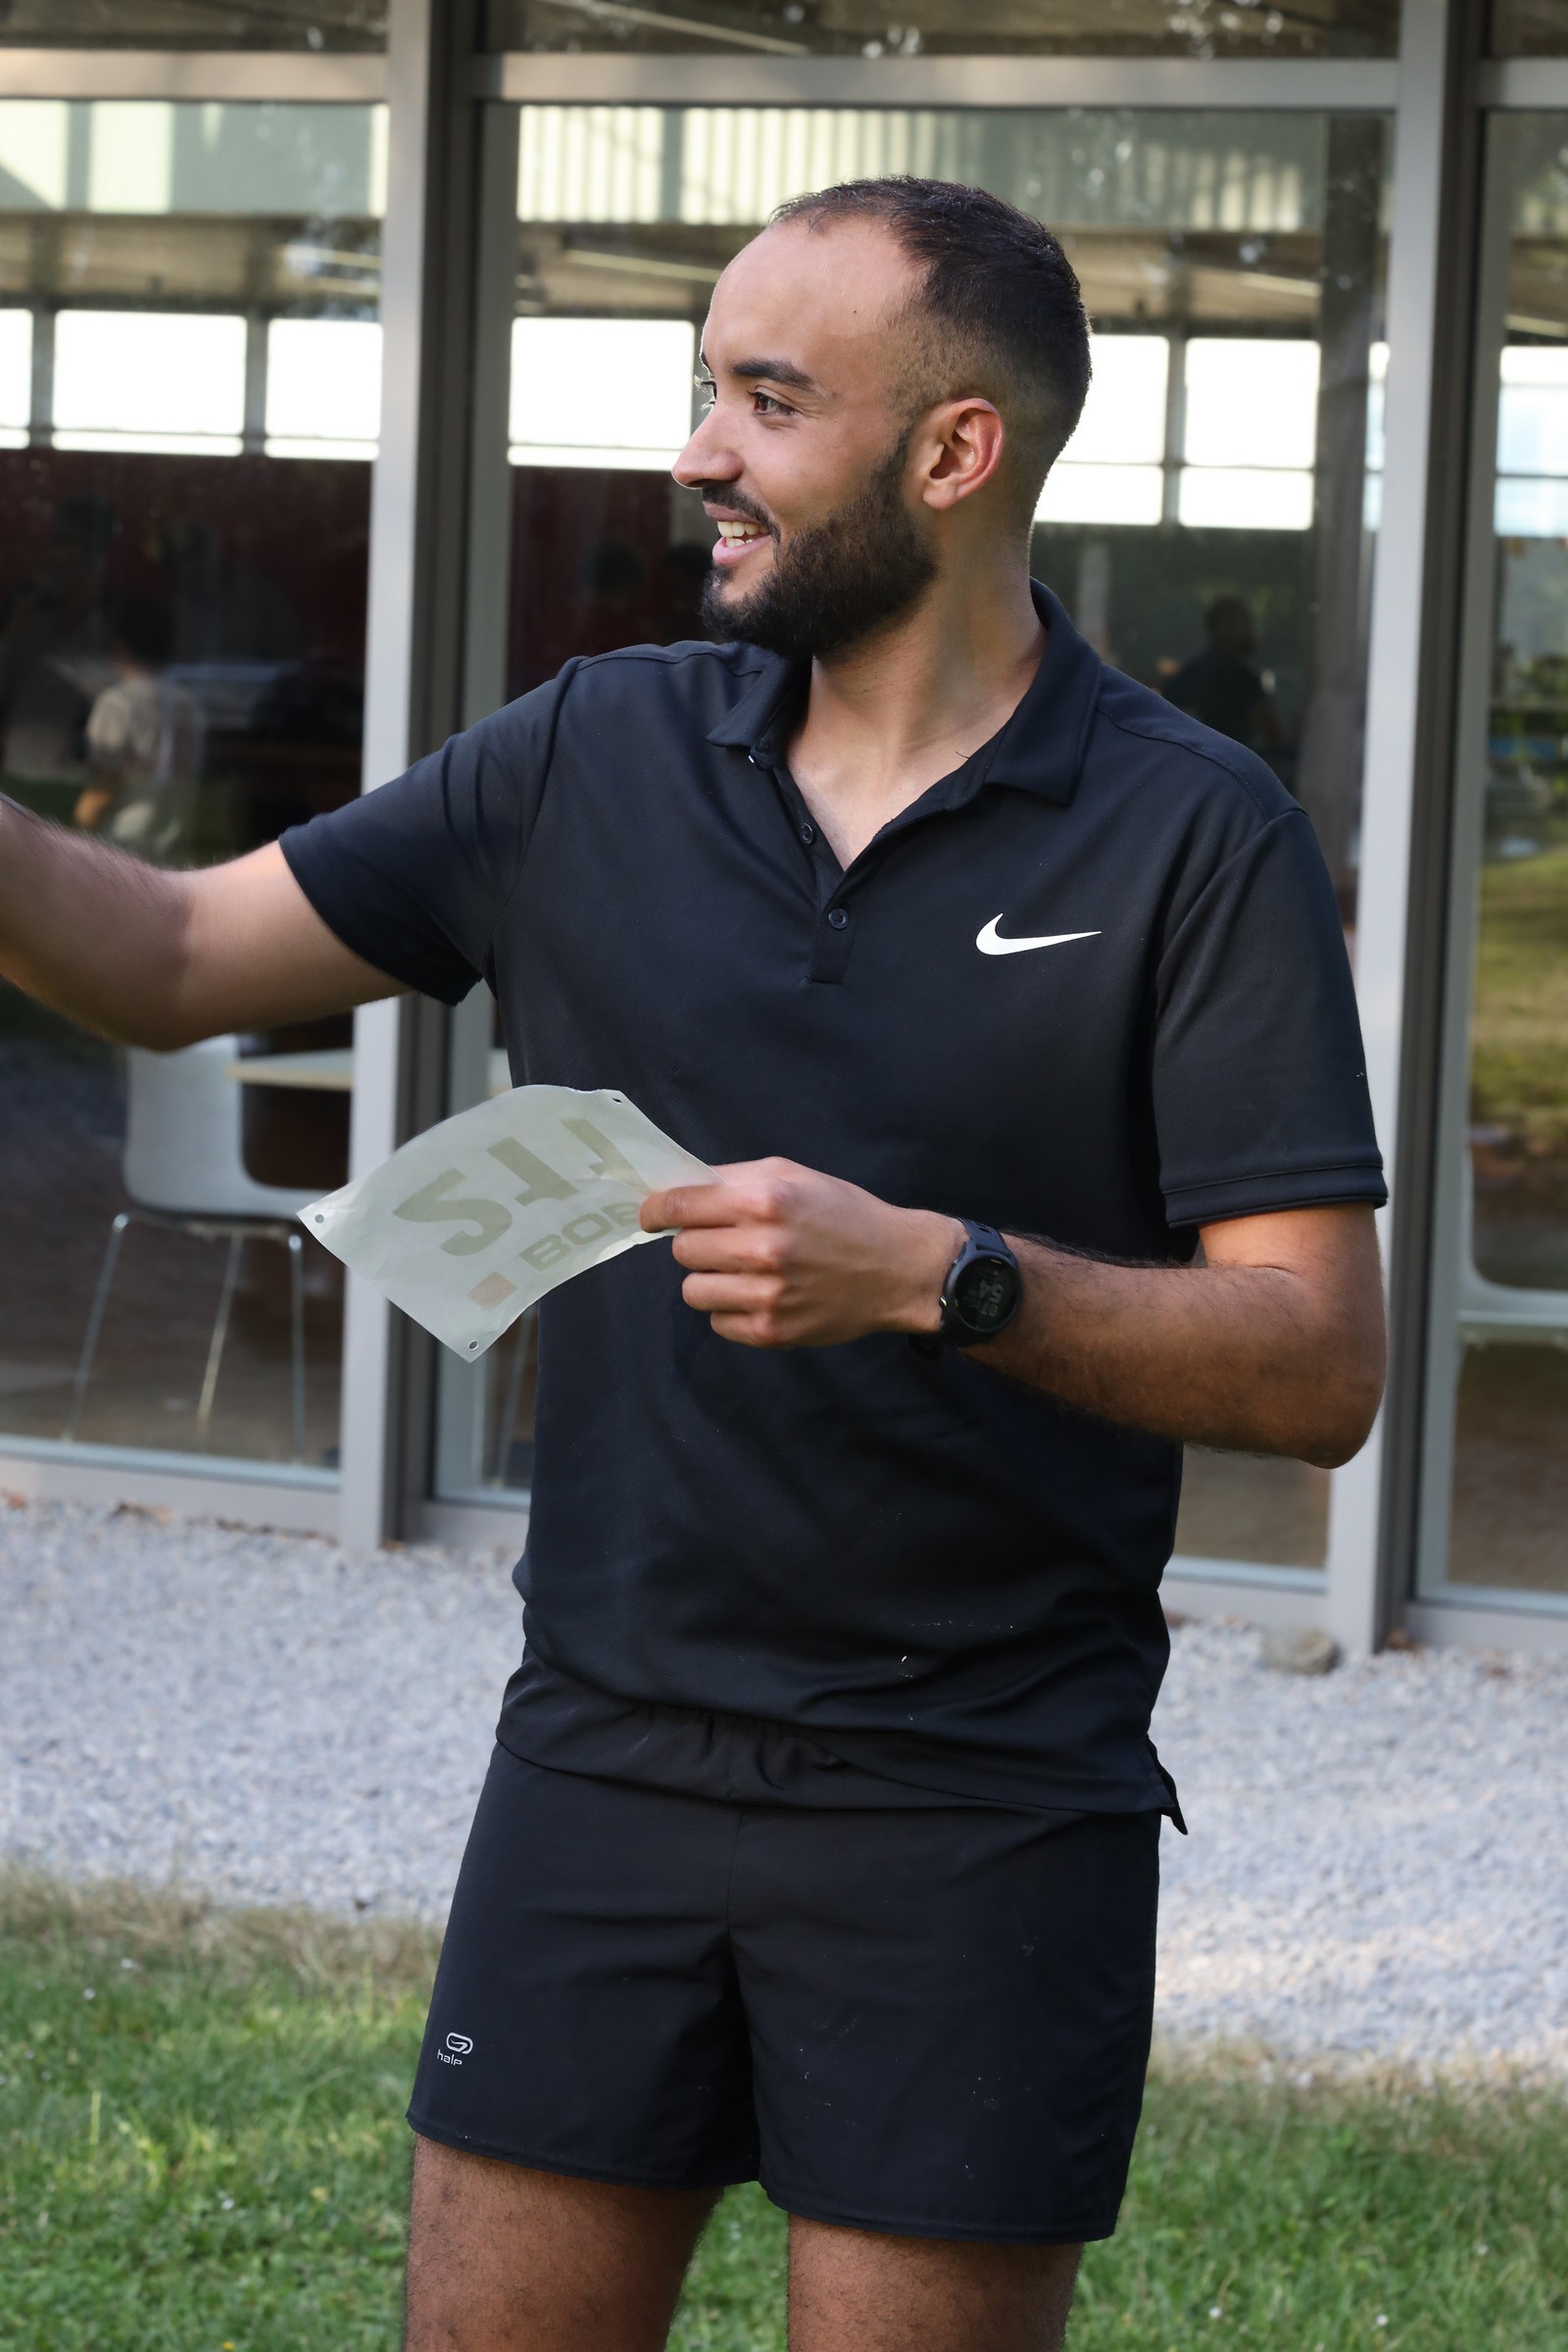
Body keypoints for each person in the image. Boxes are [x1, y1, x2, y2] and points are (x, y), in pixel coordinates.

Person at [0, 178, 1388, 2352]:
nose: (698, 454)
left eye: (767, 399)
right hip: (600, 1759)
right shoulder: (593, 750)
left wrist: (941, 1276)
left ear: (954, 451)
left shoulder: (1195, 834)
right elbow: (171, 955)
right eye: (702, 389)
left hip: (980, 1802)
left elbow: (1315, 1364)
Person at [74, 594, 204, 864]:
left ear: (118, 645)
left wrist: (73, 835)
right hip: (175, 849)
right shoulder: (188, 702)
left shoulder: (117, 702)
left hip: (121, 850)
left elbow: (102, 789)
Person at [1165, 592, 1285, 759]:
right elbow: (1272, 734)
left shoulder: (1192, 673)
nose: (1251, 631)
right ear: (1224, 628)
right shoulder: (1241, 679)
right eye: (1245, 624)